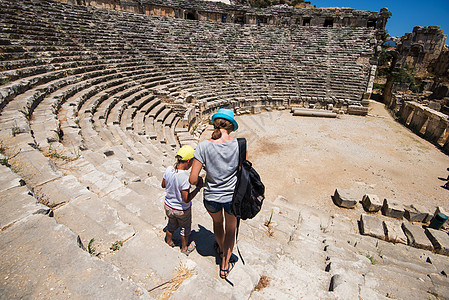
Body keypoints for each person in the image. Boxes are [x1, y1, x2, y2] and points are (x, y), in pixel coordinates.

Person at [189, 108, 245, 279]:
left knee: (217, 225)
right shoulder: (240, 144)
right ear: (231, 126)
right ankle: (225, 264)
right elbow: (245, 170)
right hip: (232, 197)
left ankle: (220, 250)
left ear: (216, 123)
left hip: (211, 197)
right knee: (231, 230)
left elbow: (192, 179)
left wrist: (202, 182)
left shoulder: (203, 146)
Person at [162, 145, 203, 256]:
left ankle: (169, 241)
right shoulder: (184, 177)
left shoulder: (169, 169)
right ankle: (184, 248)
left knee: (171, 224)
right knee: (185, 229)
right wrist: (198, 189)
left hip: (168, 206)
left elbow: (163, 185)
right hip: (181, 210)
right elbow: (186, 199)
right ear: (189, 161)